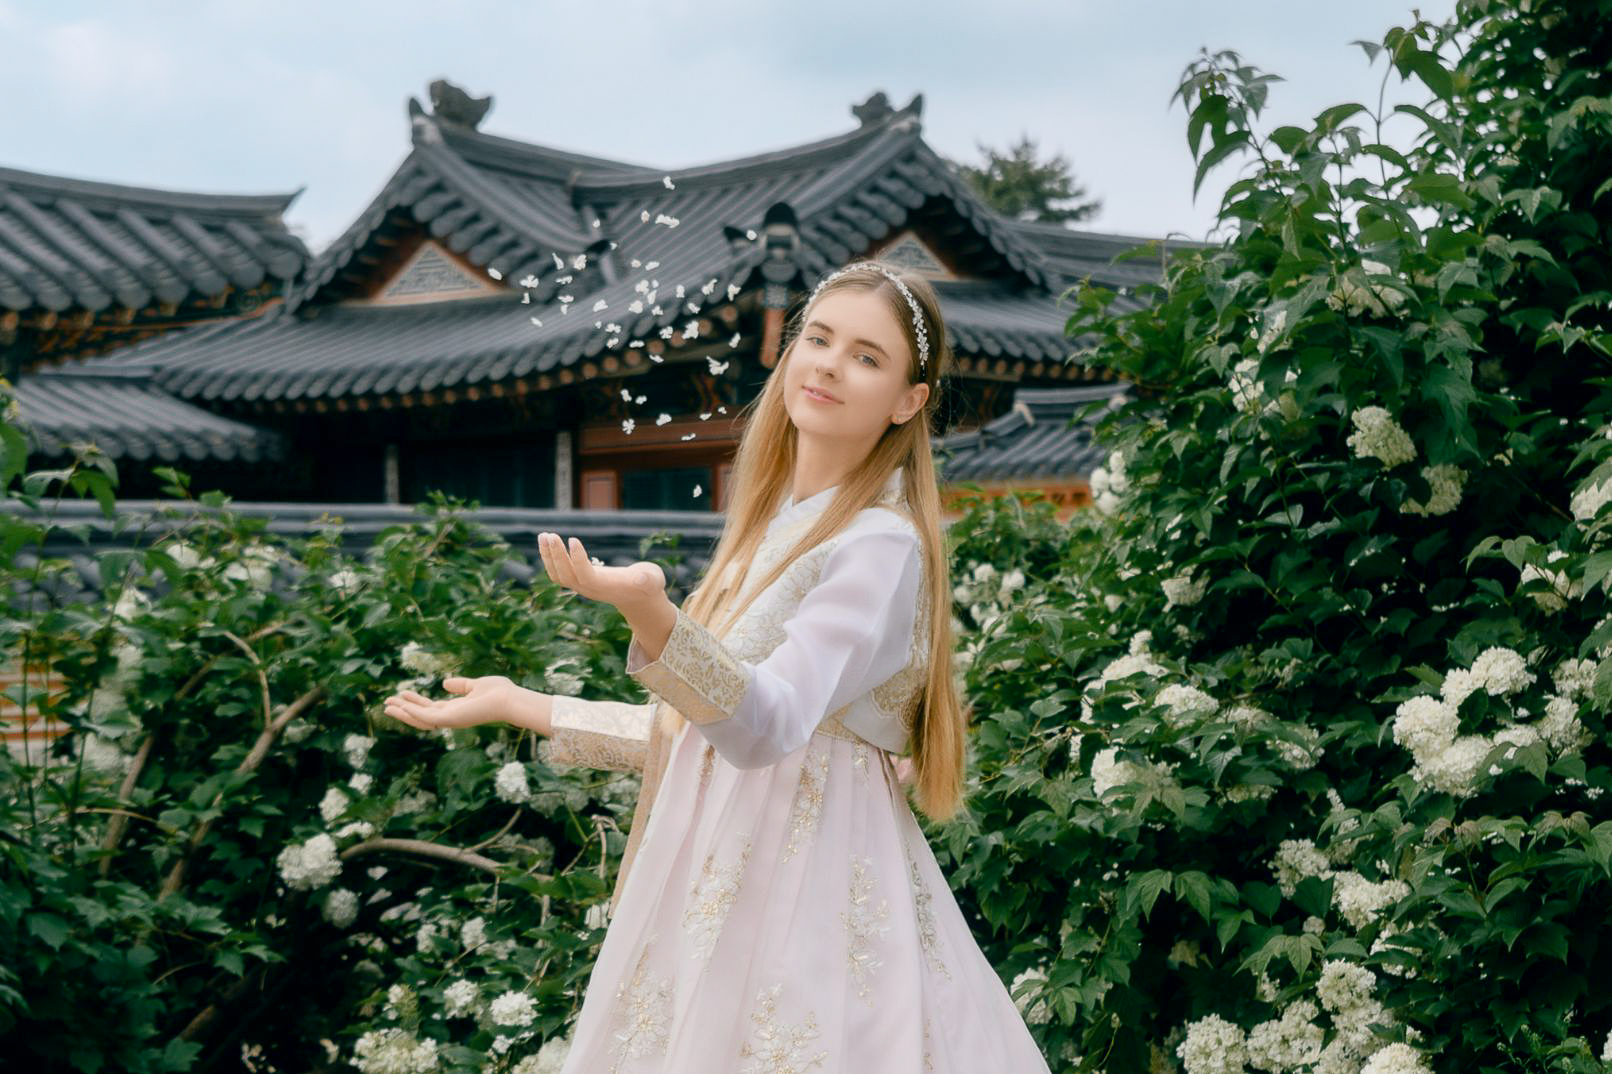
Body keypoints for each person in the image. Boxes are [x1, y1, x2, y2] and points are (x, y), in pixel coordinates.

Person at [385, 260, 1053, 1073]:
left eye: (868, 357)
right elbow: (701, 731)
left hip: (806, 893)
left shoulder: (878, 545)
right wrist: (522, 703)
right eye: (818, 338)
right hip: (716, 882)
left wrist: (651, 613)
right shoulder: (771, 530)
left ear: (908, 402)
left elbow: (764, 727)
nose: (831, 364)